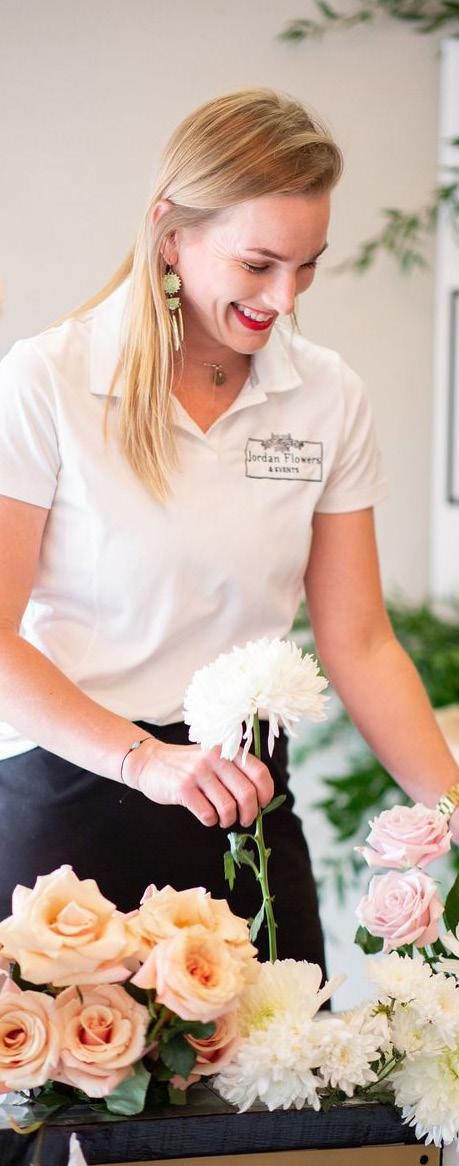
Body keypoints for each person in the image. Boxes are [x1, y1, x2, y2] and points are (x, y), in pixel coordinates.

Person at [0, 89, 458, 972]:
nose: (284, 298)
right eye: (257, 264)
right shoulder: (47, 381)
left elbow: (360, 642)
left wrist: (451, 805)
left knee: (290, 1058)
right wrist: (147, 762)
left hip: (242, 806)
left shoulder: (326, 396)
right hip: (69, 798)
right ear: (170, 233)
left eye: (307, 266)